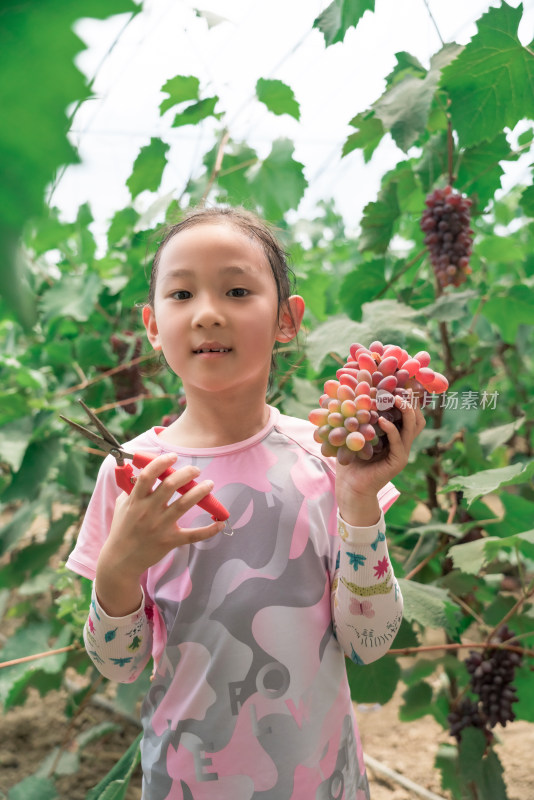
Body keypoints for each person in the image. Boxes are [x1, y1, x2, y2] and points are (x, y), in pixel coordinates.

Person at [66, 205, 425, 800]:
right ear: (153, 325)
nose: (208, 313)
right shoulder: (130, 475)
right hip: (184, 783)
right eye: (182, 294)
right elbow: (119, 666)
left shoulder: (329, 459)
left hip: (321, 784)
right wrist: (118, 568)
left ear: (287, 320)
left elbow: (369, 643)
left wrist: (358, 500)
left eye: (236, 290)